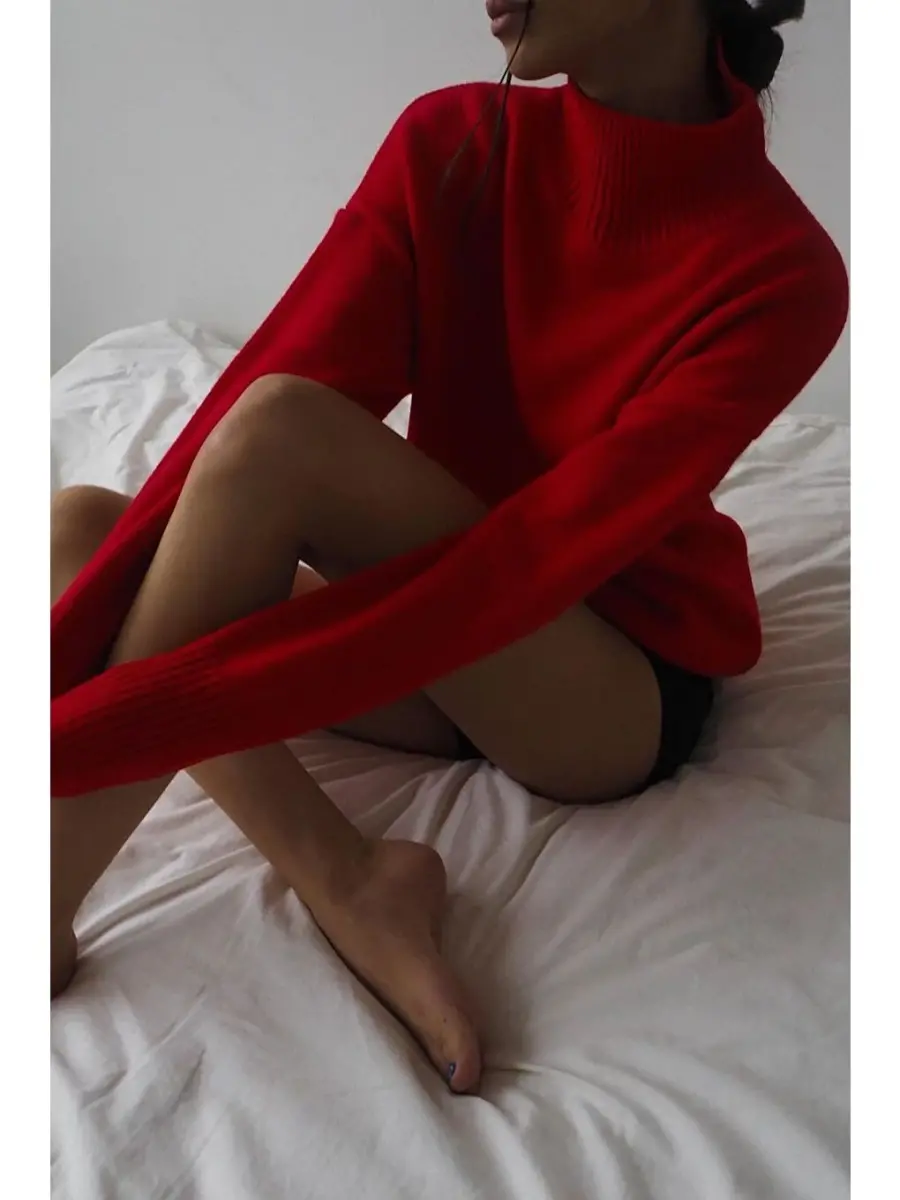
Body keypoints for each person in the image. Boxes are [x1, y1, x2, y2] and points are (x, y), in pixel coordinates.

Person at [50, 0, 847, 1095]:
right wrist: (77, 694)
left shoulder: (783, 269)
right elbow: (246, 416)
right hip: (445, 624)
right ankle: (349, 877)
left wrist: (97, 731)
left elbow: (539, 554)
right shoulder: (456, 144)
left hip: (604, 678)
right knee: (84, 534)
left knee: (281, 437)